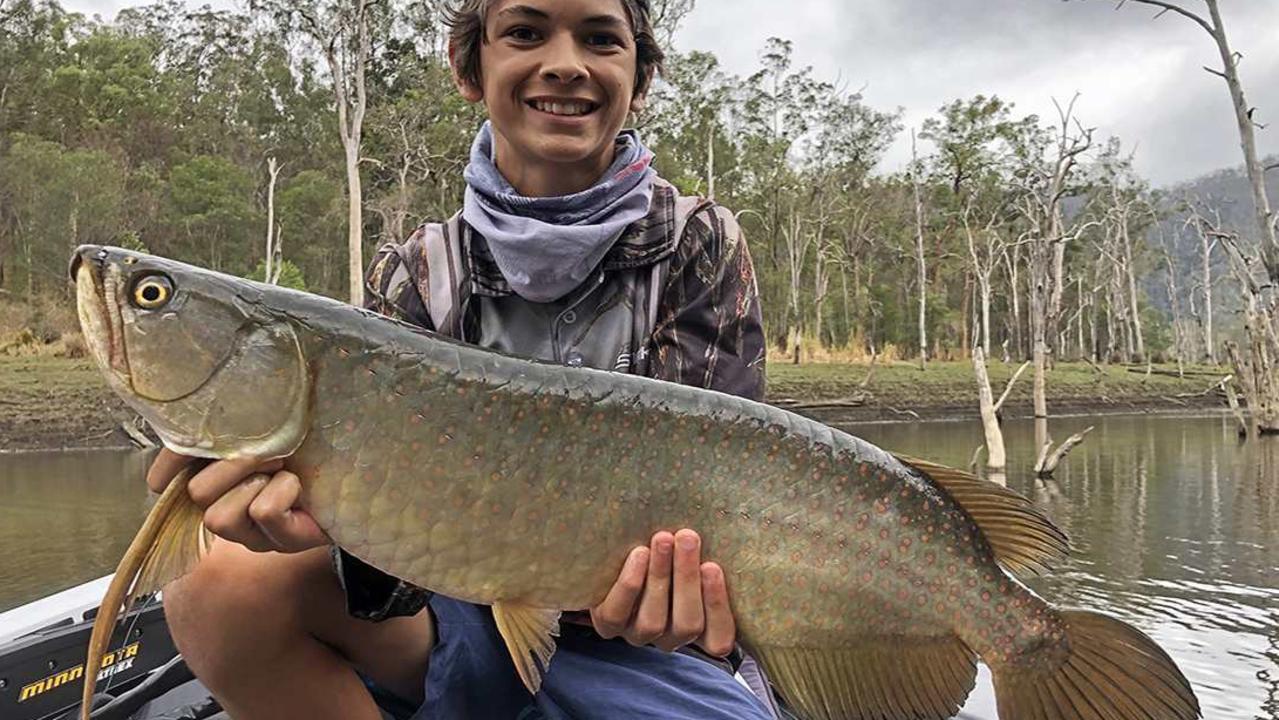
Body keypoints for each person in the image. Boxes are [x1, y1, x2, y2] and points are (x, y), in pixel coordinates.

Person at [146, 0, 772, 717]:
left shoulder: (701, 242)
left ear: (642, 76)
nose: (565, 63)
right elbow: (390, 585)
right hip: (456, 614)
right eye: (525, 33)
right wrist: (329, 529)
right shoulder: (416, 272)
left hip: (646, 646)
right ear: (467, 67)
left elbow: (719, 488)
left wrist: (684, 589)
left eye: (600, 39)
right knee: (213, 583)